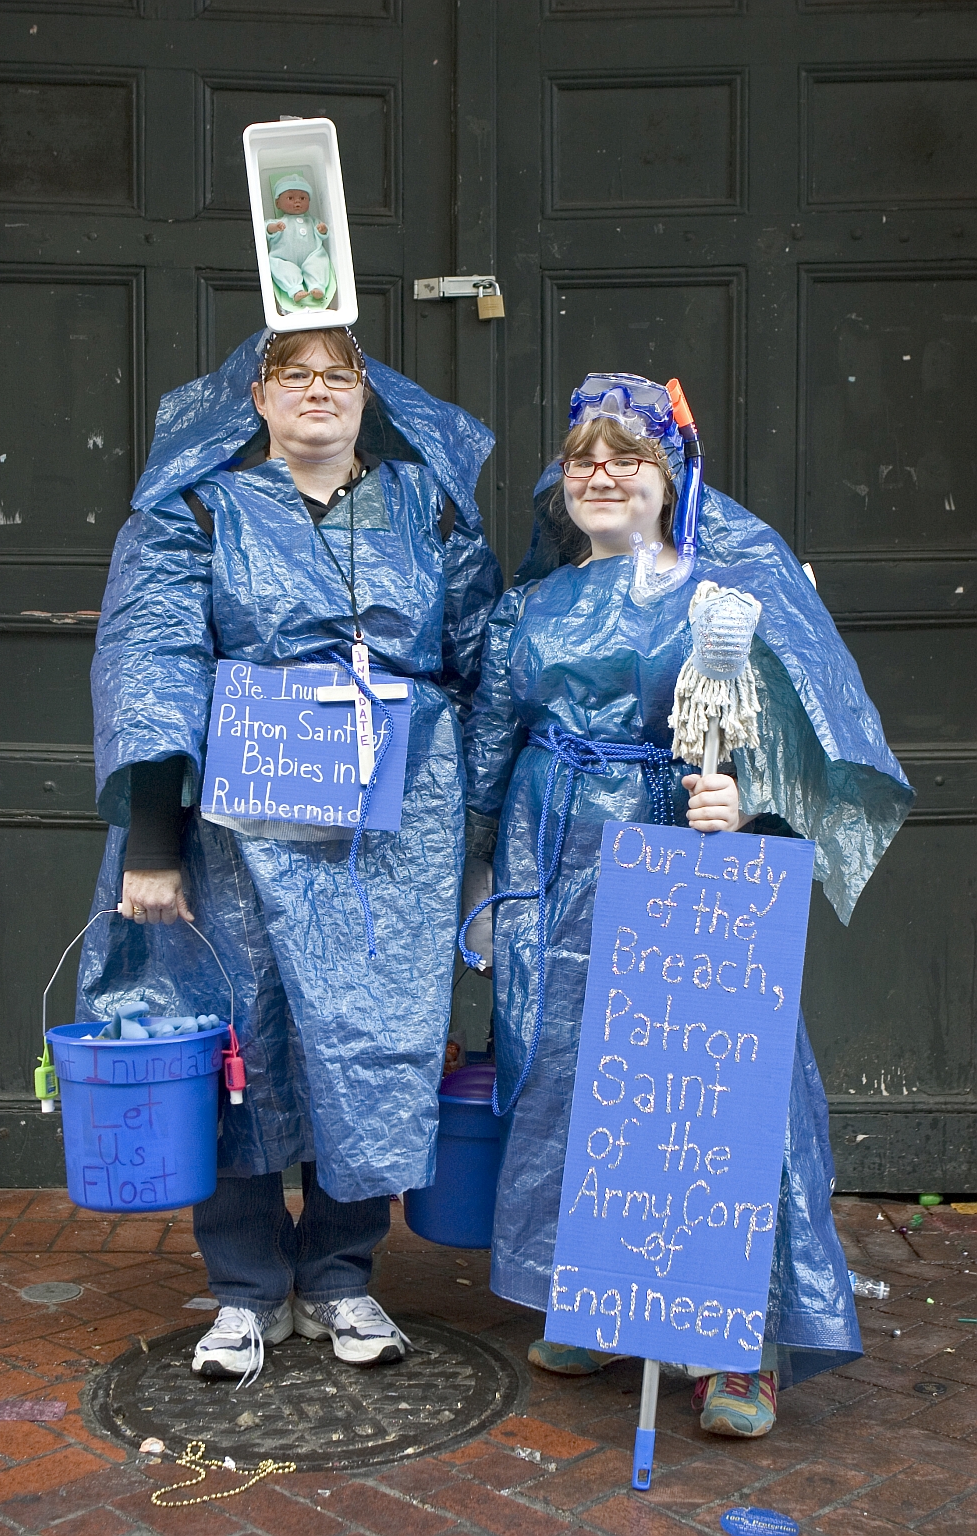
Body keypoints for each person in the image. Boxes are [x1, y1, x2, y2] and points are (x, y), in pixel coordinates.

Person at [462, 372, 913, 1438]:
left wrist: (740, 794)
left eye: (629, 455)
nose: (603, 472)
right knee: (566, 1069)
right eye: (583, 456)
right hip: (551, 857)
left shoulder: (722, 603)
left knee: (713, 1085)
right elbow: (487, 745)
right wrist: (478, 877)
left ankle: (733, 1344)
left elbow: (774, 740)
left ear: (671, 477)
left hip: (677, 857)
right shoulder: (527, 607)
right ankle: (606, 1293)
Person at [78, 325, 502, 1380]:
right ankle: (246, 1290)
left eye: (337, 376)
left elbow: (489, 657)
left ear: (368, 395)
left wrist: (489, 832)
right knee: (241, 1047)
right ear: (255, 397)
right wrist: (153, 842)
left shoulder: (428, 505)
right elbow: (152, 666)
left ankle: (344, 1277)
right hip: (236, 826)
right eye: (292, 376)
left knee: (375, 1039)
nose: (316, 393)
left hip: (391, 827)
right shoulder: (197, 512)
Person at [266, 175, 333, 309]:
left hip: (311, 255)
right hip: (285, 258)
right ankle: (295, 289)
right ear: (277, 203)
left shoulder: (312, 221)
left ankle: (317, 286)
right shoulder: (278, 222)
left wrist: (323, 230)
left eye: (303, 198)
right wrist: (274, 228)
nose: (297, 202)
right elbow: (266, 230)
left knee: (319, 263)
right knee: (280, 266)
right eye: (290, 198)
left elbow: (322, 234)